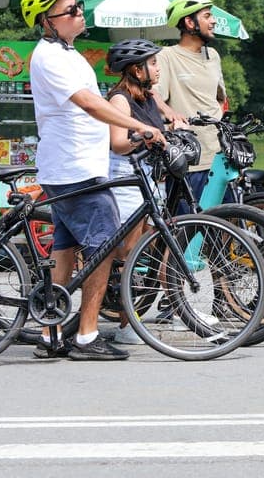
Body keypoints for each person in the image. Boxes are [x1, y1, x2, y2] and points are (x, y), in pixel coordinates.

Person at [22, 0, 165, 361]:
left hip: (78, 165)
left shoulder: (68, 54)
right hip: (75, 169)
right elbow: (88, 104)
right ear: (48, 21)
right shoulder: (50, 57)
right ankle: (86, 336)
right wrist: (138, 126)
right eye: (71, 10)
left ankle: (50, 333)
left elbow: (95, 104)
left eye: (78, 6)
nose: (79, 13)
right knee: (102, 249)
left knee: (66, 250)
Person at [105, 38, 167, 346]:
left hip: (151, 177)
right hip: (127, 177)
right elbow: (118, 142)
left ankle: (131, 315)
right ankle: (127, 324)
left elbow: (163, 122)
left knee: (144, 250)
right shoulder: (120, 99)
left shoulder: (148, 98)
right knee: (129, 253)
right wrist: (142, 137)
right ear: (135, 69)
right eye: (152, 63)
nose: (157, 68)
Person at [152, 0, 228, 209]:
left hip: (220, 157)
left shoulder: (213, 55)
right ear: (189, 21)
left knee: (227, 226)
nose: (213, 21)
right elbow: (153, 93)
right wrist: (169, 112)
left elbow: (220, 98)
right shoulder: (167, 56)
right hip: (190, 160)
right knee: (187, 232)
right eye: (207, 16)